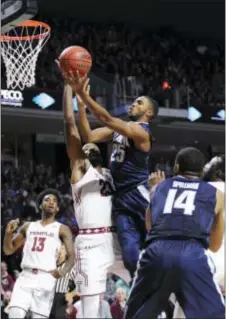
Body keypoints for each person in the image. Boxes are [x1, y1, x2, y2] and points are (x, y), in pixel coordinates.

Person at [66, 71, 159, 277]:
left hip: (138, 192)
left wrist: (84, 95)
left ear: (149, 113)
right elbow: (89, 136)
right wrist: (81, 106)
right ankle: (141, 286)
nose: (134, 104)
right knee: (129, 256)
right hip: (119, 197)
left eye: (140, 102)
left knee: (157, 240)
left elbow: (105, 118)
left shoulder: (142, 132)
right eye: (135, 101)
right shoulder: (121, 129)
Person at [124, 147, 225, 319]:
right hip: (192, 254)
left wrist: (154, 189)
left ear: (176, 167)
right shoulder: (217, 195)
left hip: (156, 252)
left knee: (137, 314)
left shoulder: (159, 188)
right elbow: (214, 246)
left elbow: (149, 226)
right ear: (201, 171)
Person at [60, 74, 129, 318]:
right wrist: (69, 89)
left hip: (117, 240)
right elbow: (70, 125)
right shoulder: (81, 170)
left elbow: (93, 134)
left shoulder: (111, 172)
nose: (90, 147)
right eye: (85, 148)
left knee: (150, 279)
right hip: (89, 244)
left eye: (92, 146)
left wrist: (84, 105)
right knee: (90, 310)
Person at [3, 188, 75, 319]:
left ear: (57, 208)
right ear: (41, 205)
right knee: (15, 314)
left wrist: (63, 272)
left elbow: (71, 257)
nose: (51, 202)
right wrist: (8, 234)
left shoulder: (63, 229)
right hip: (25, 276)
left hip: (46, 278)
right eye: (47, 200)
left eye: (54, 201)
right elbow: (8, 250)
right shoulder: (28, 226)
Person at [50, 244, 77, 319]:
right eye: (57, 249)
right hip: (47, 297)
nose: (59, 251)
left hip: (61, 299)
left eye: (61, 249)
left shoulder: (70, 267)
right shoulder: (50, 265)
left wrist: (71, 294)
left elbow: (82, 286)